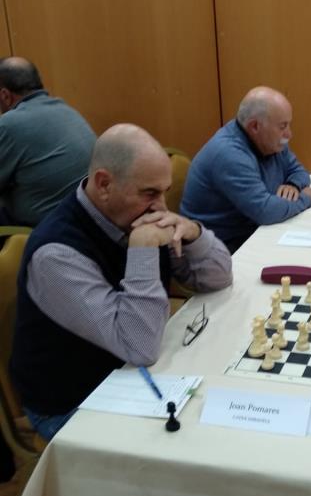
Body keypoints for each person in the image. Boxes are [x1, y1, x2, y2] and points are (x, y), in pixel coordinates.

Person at [10, 124, 233, 440]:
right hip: (73, 403)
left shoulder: (136, 217)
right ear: (104, 184)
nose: (161, 207)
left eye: (165, 192)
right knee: (198, 445)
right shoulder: (56, 254)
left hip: (128, 373)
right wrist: (142, 252)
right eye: (150, 193)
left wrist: (193, 233)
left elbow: (220, 277)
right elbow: (139, 347)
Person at [181, 86, 311, 252]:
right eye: (283, 126)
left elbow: (299, 171)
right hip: (219, 246)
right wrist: (306, 199)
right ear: (255, 126)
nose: (289, 134)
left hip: (251, 230)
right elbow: (265, 211)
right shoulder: (229, 154)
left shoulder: (270, 142)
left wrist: (293, 185)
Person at [0, 56, 96, 226]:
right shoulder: (66, 109)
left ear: (5, 95)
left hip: (46, 227)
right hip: (86, 217)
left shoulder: (9, 124)